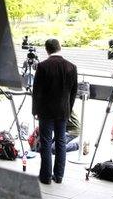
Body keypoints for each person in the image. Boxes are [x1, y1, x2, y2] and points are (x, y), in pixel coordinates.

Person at [32, 38, 78, 185]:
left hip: (46, 111)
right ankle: (59, 176)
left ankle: (45, 177)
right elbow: (74, 92)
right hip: (63, 111)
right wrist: (68, 109)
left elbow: (37, 92)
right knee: (61, 142)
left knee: (45, 142)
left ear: (47, 50)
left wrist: (35, 110)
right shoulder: (71, 67)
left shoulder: (42, 66)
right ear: (60, 47)